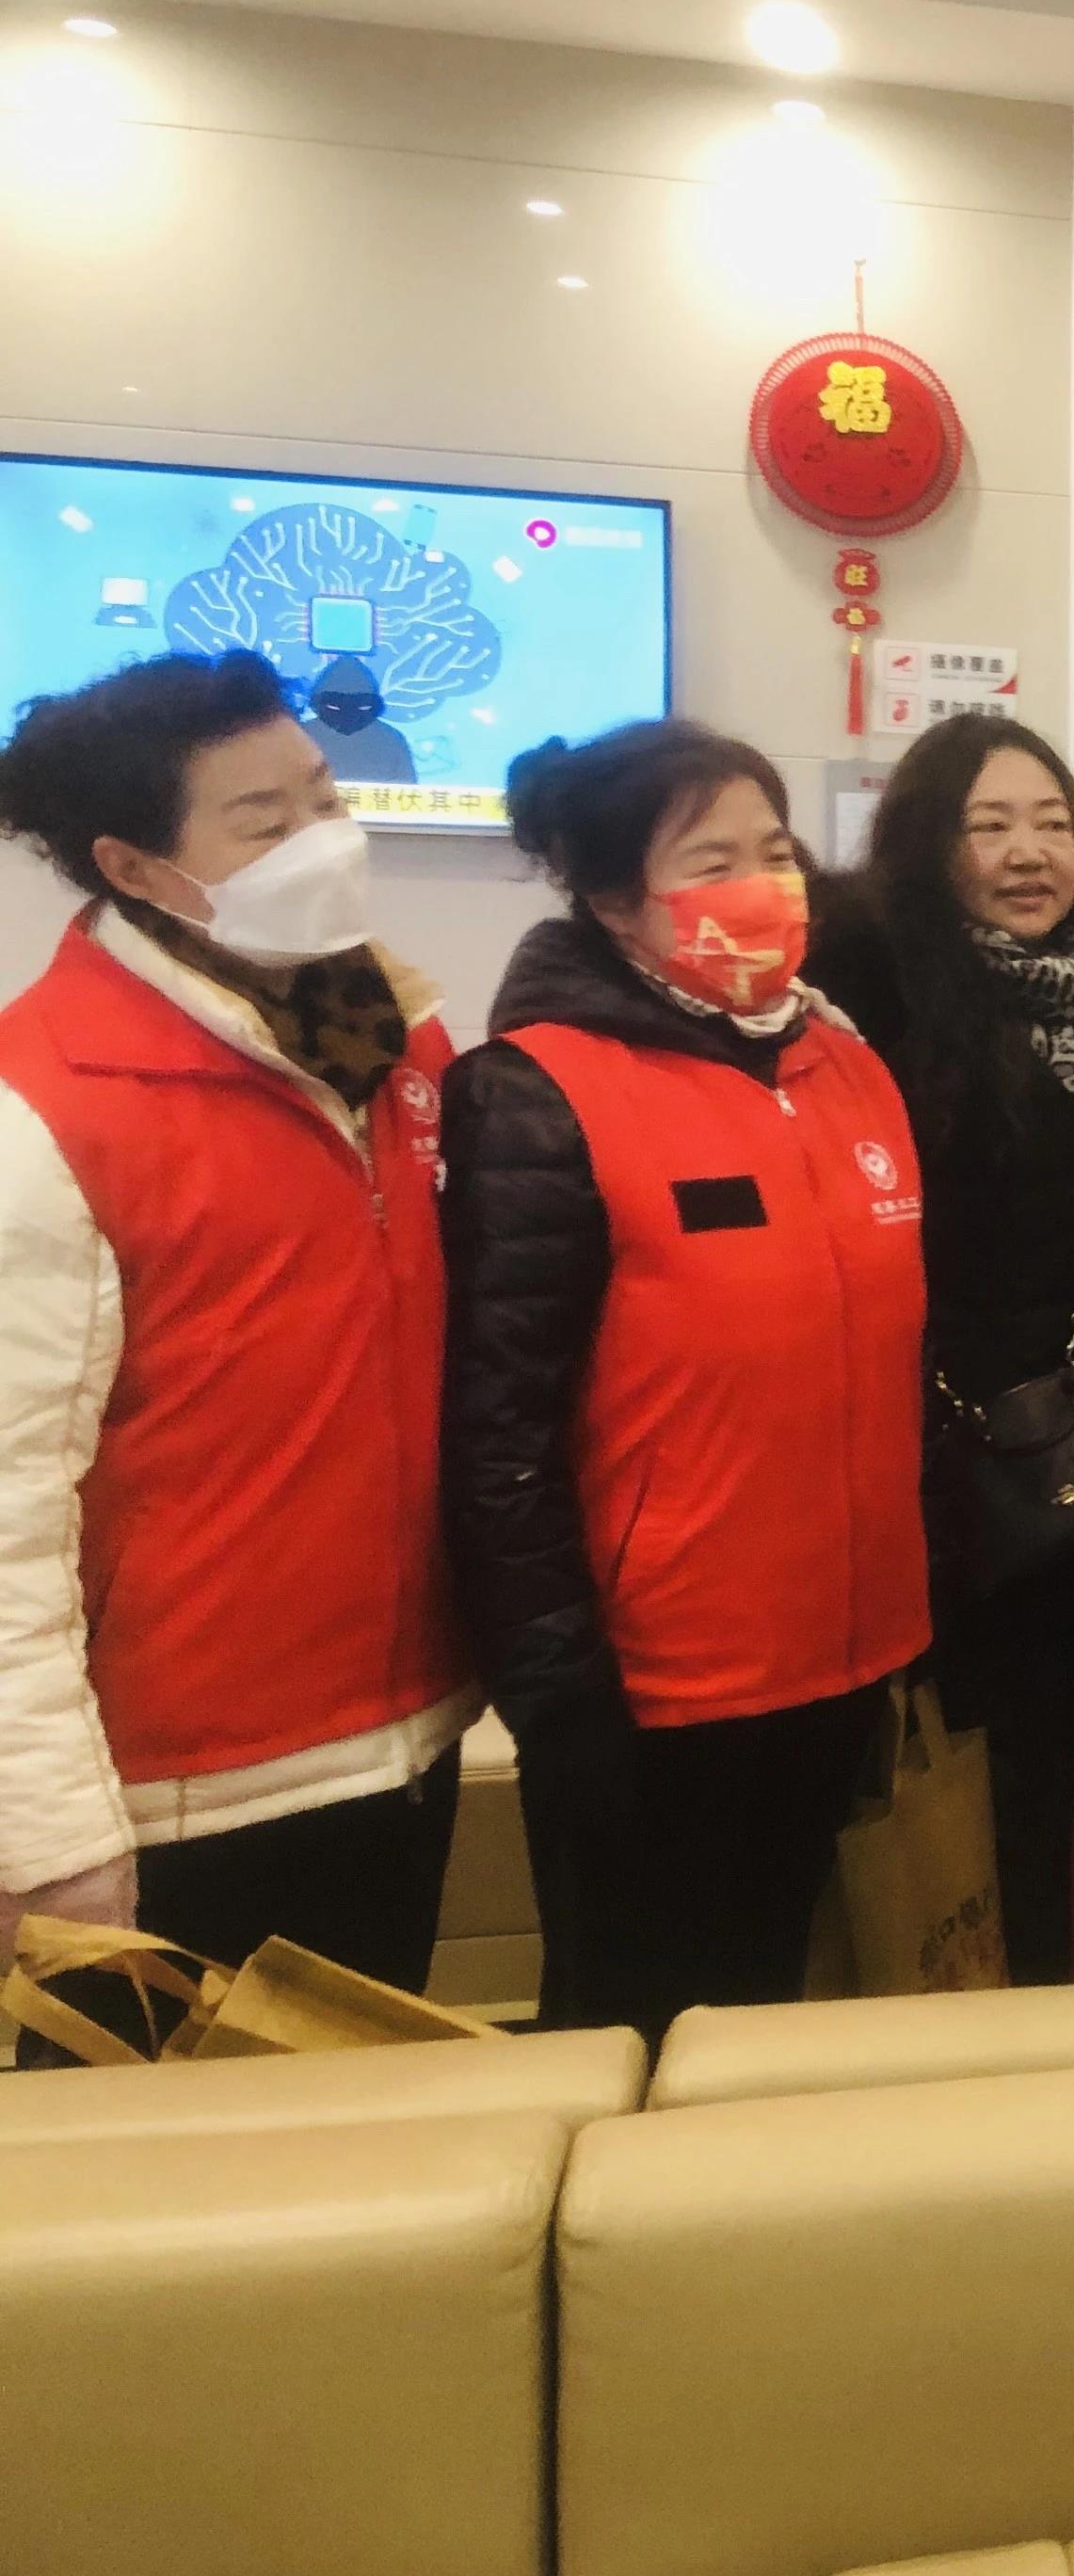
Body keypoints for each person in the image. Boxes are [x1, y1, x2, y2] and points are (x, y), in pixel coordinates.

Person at [442, 723, 930, 2043]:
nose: (763, 887)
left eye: (777, 851)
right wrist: (557, 1695)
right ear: (616, 902)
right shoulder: (536, 1092)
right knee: (633, 2028)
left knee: (769, 2013)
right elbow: (497, 1436)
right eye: (713, 862)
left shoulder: (846, 1066)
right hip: (655, 1685)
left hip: (842, 1652)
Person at [0, 650, 473, 1992]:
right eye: (266, 824)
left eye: (325, 795)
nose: (324, 838)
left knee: (383, 2104)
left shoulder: (392, 1039)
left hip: (406, 1737)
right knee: (179, 2127)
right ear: (135, 869)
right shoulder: (46, 1105)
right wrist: (46, 1835)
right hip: (177, 1796)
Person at [810, 716, 1074, 1984]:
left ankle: (1072, 1992)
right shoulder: (865, 1000)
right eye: (989, 826)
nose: (1029, 852)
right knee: (977, 1777)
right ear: (930, 846)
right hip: (953, 1472)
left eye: (1051, 823)